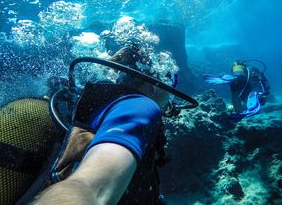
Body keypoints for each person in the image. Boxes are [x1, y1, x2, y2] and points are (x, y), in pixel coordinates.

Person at [30, 45, 179, 205]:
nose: (170, 95)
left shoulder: (99, 103)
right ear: (155, 84)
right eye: (172, 82)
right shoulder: (141, 106)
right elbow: (90, 188)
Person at [204, 60, 270, 121]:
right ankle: (235, 79)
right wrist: (262, 94)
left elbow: (235, 97)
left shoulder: (246, 70)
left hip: (239, 81)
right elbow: (265, 85)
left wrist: (238, 112)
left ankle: (231, 78)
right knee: (254, 93)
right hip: (252, 85)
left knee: (235, 84)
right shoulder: (254, 71)